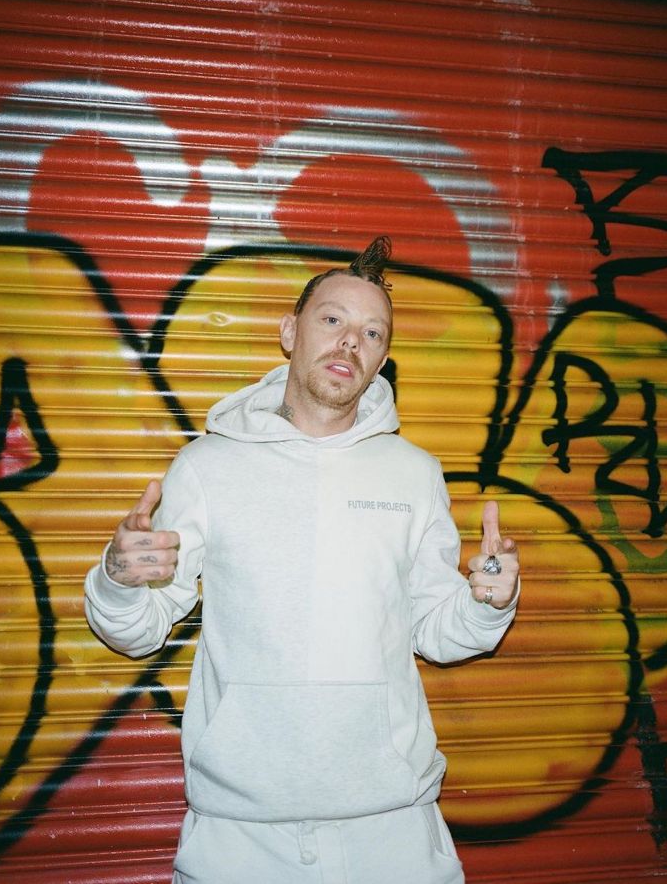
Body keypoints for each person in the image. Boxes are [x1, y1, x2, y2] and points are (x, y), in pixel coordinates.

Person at [84, 236, 520, 884]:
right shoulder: (208, 467)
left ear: (381, 359)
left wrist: (486, 604)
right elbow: (137, 631)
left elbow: (436, 632)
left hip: (392, 830)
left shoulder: (413, 473)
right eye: (332, 318)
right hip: (239, 838)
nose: (350, 342)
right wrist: (118, 581)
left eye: (371, 332)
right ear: (289, 331)